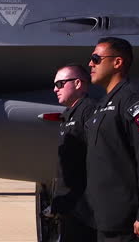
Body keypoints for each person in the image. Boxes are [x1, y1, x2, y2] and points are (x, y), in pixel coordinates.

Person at [85, 37, 139, 242]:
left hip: (131, 226)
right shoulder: (102, 105)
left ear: (117, 62)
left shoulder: (136, 103)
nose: (90, 64)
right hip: (106, 221)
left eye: (96, 58)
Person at [50, 64, 96, 242]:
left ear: (78, 83)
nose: (55, 89)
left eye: (60, 84)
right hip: (70, 206)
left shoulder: (89, 111)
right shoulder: (69, 114)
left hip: (84, 209)